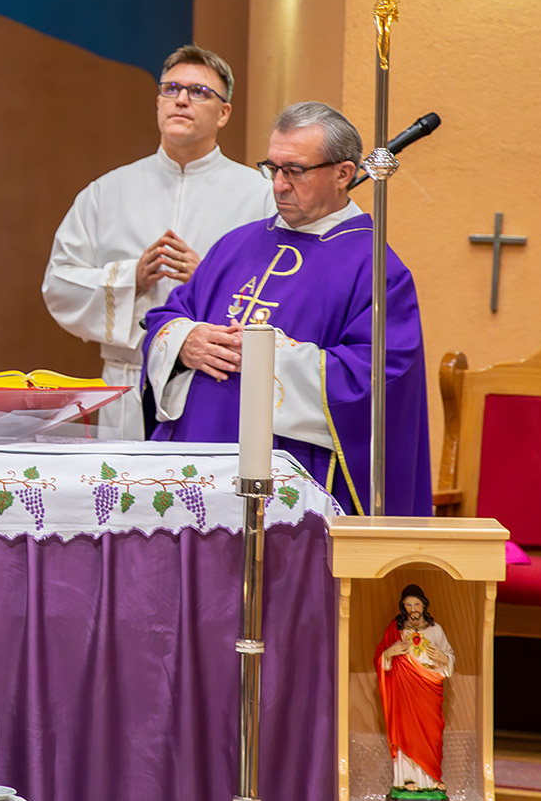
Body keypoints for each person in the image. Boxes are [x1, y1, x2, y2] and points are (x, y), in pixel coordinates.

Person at [140, 101, 431, 515]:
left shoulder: (376, 267)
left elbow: (378, 380)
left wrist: (270, 356)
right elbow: (166, 316)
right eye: (272, 168)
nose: (278, 185)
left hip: (290, 480)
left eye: (294, 171)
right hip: (194, 466)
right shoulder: (236, 244)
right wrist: (185, 340)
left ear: (343, 173)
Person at [41, 46, 273, 438]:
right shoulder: (107, 192)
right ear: (158, 103)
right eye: (171, 89)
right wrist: (130, 278)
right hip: (126, 386)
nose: (181, 99)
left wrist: (207, 278)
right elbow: (59, 284)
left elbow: (280, 290)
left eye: (199, 92)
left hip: (215, 385)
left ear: (224, 113)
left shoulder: (259, 195)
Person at [377, 584, 452, 800]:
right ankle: (406, 779)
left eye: (416, 604)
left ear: (424, 605)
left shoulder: (435, 629)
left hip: (429, 687)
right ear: (403, 606)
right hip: (405, 690)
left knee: (431, 733)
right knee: (406, 732)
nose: (413, 609)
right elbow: (380, 657)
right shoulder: (396, 628)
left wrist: (443, 658)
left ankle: (431, 778)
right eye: (408, 605)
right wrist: (390, 653)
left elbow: (449, 654)